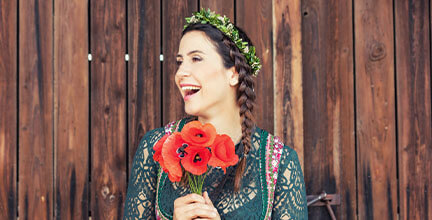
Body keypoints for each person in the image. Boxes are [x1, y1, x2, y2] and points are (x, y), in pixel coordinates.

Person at [123, 9, 308, 220]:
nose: (180, 73)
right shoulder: (156, 148)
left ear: (234, 73)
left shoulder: (280, 164)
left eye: (196, 59)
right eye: (180, 61)